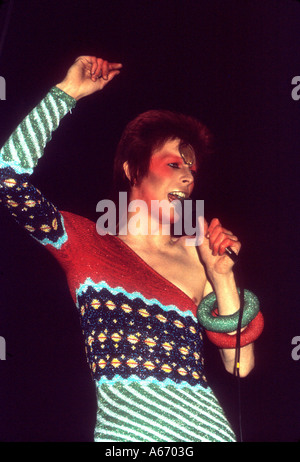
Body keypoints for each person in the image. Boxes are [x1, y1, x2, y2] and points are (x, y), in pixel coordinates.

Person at [0, 56, 262, 442]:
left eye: (192, 171)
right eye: (175, 164)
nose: (189, 176)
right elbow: (8, 181)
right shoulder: (83, 242)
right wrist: (66, 93)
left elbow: (240, 365)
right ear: (132, 169)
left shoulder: (196, 254)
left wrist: (222, 276)